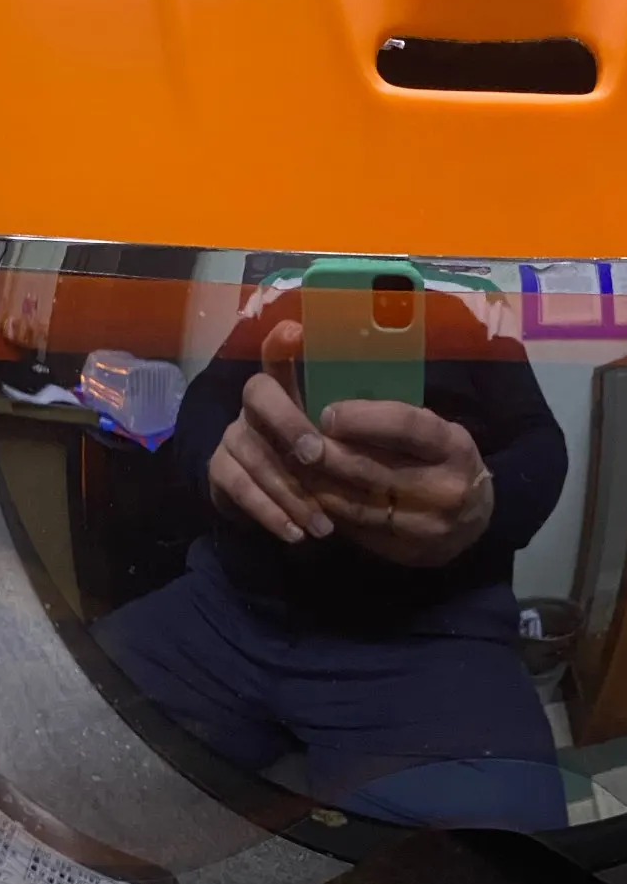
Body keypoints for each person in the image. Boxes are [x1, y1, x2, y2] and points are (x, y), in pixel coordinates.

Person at [94, 273, 572, 830]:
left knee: (505, 862)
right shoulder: (283, 287)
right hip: (228, 609)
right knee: (53, 723)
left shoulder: (472, 298)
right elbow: (205, 402)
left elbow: (541, 444)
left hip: (433, 638)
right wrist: (219, 468)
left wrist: (485, 501)